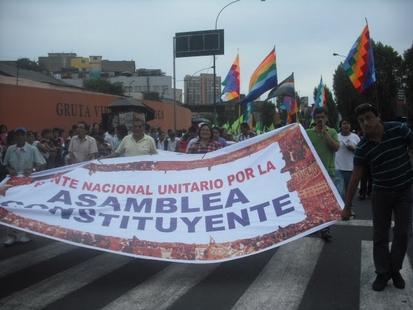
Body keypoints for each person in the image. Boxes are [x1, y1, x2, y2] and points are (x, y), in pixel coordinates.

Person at [342, 103, 413, 291]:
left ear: (378, 117)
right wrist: (347, 206)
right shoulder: (363, 147)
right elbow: (356, 177)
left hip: (404, 190)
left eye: (368, 117)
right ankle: (382, 273)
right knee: (380, 234)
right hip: (380, 194)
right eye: (361, 120)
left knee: (402, 232)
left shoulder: (399, 129)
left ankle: (394, 270)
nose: (365, 122)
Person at [3, 127, 46, 246]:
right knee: (11, 207)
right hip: (13, 182)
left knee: (25, 207)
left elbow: (42, 164)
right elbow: (5, 164)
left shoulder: (32, 149)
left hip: (27, 182)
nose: (20, 137)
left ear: (25, 137)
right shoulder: (10, 149)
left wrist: (32, 169)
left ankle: (26, 233)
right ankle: (11, 235)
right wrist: (10, 169)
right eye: (17, 135)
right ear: (15, 137)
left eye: (22, 135)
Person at [306, 107, 340, 242]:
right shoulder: (308, 133)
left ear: (326, 118)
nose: (320, 119)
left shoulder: (332, 132)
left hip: (328, 173)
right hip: (312, 175)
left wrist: (325, 133)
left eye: (322, 117)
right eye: (317, 117)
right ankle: (315, 225)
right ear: (314, 119)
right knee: (313, 202)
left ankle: (325, 228)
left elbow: (336, 147)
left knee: (326, 203)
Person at [335, 119, 360, 206]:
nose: (346, 125)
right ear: (340, 126)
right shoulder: (336, 136)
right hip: (338, 168)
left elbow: (360, 152)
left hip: (351, 168)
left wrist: (353, 149)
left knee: (350, 191)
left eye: (348, 123)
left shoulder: (355, 137)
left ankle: (348, 208)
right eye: (344, 123)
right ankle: (341, 209)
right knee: (340, 191)